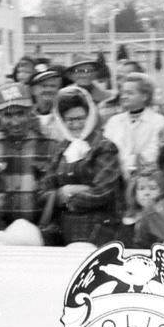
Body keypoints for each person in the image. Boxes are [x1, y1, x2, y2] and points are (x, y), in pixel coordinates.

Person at [41, 85, 124, 246]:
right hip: (64, 230)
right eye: (69, 120)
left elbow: (104, 191)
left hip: (99, 229)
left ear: (90, 116)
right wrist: (64, 192)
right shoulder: (61, 149)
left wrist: (68, 197)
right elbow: (43, 190)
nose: (75, 125)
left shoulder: (104, 146)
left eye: (80, 118)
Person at [0, 83, 59, 229]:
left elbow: (57, 191)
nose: (15, 122)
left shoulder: (51, 145)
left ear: (30, 112)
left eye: (20, 113)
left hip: (43, 231)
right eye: (8, 115)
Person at [103, 72, 164, 179]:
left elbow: (154, 153)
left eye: (130, 93)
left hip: (147, 178)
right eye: (122, 93)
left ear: (145, 96)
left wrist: (128, 161)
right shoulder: (114, 121)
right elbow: (105, 151)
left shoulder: (158, 121)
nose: (124, 97)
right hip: (114, 177)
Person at [29, 66, 65, 141]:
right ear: (33, 90)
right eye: (44, 86)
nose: (48, 89)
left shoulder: (64, 114)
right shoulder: (26, 115)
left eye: (53, 86)